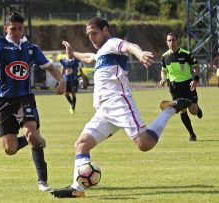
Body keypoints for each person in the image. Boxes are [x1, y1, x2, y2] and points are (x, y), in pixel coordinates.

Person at [50, 17, 192, 198]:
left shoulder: (112, 43)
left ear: (105, 30)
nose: (91, 37)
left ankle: (170, 110)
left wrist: (140, 55)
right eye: (88, 34)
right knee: (81, 144)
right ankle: (77, 188)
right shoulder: (102, 53)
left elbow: (129, 45)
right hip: (104, 111)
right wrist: (73, 53)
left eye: (94, 33)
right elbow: (89, 57)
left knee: (144, 144)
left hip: (119, 102)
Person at [0, 12, 65, 191]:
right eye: (13, 28)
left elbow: (50, 67)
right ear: (5, 28)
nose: (17, 32)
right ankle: (38, 139)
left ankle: (43, 182)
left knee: (31, 134)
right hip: (2, 101)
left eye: (20, 28)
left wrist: (61, 80)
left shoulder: (31, 48)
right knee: (10, 149)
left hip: (24, 98)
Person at [160, 33, 203, 142]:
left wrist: (195, 80)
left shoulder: (186, 54)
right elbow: (164, 70)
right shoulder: (165, 57)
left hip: (188, 85)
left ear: (177, 41)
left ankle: (197, 108)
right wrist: (163, 79)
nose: (171, 42)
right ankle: (192, 134)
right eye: (169, 41)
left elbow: (196, 68)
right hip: (174, 88)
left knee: (193, 111)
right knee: (182, 111)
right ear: (166, 42)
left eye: (173, 40)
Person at [60, 49, 83, 114]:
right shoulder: (64, 60)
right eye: (67, 52)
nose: (68, 53)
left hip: (74, 80)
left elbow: (80, 70)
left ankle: (72, 109)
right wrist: (60, 79)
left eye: (70, 52)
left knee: (73, 94)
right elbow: (62, 70)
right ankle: (72, 104)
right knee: (66, 93)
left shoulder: (76, 61)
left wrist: (82, 78)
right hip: (66, 80)